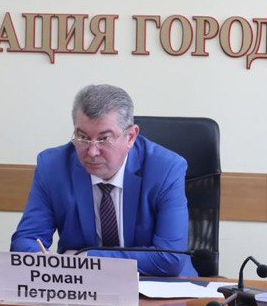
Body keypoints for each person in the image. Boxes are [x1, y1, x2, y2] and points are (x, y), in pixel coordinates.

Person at [10, 84, 193, 276]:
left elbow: (170, 258)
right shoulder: (53, 167)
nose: (92, 151)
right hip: (82, 287)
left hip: (155, 286)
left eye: (104, 138)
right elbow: (25, 240)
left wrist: (89, 259)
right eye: (83, 137)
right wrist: (42, 260)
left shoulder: (166, 169)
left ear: (131, 137)